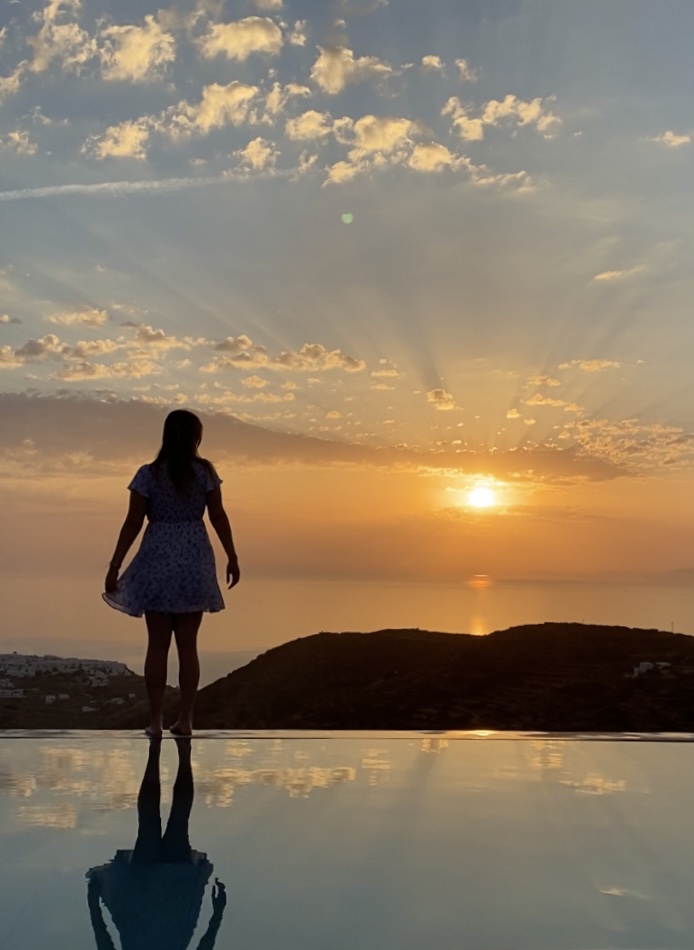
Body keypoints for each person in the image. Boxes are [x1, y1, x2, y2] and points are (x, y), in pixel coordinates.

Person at [103, 410, 240, 737]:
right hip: (194, 556)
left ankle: (154, 722)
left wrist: (115, 565)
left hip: (158, 556)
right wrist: (232, 556)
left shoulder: (148, 474)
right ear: (195, 436)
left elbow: (133, 523)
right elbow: (218, 516)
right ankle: (186, 720)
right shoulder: (204, 472)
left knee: (157, 645)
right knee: (188, 646)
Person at [86, 737, 227, 950]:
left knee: (173, 819)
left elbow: (104, 941)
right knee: (155, 821)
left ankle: (172, 754)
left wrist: (217, 915)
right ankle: (163, 753)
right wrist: (93, 903)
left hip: (169, 891)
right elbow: (103, 940)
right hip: (156, 891)